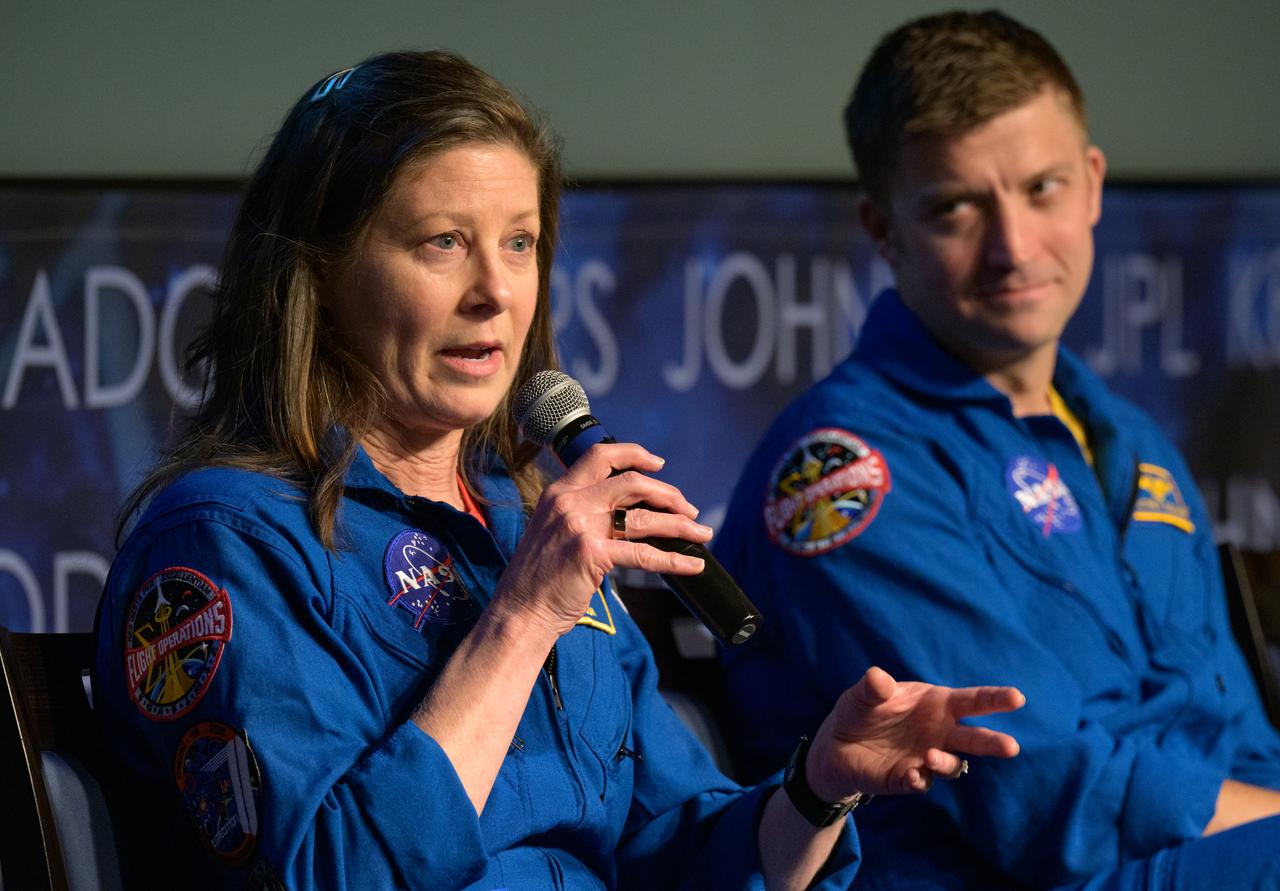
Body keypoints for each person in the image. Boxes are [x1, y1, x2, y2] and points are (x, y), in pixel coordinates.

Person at [91, 50, 1024, 890]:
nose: (496, 292)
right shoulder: (227, 538)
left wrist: (818, 784)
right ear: (322, 275)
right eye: (442, 242)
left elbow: (676, 852)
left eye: (520, 243)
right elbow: (330, 873)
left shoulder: (523, 522)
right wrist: (524, 615)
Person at [715, 10, 1280, 891]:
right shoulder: (842, 471)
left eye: (1043, 188)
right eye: (956, 208)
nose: (1013, 248)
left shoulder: (1130, 440)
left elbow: (1239, 736)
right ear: (882, 228)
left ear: (1092, 186)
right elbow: (1056, 803)